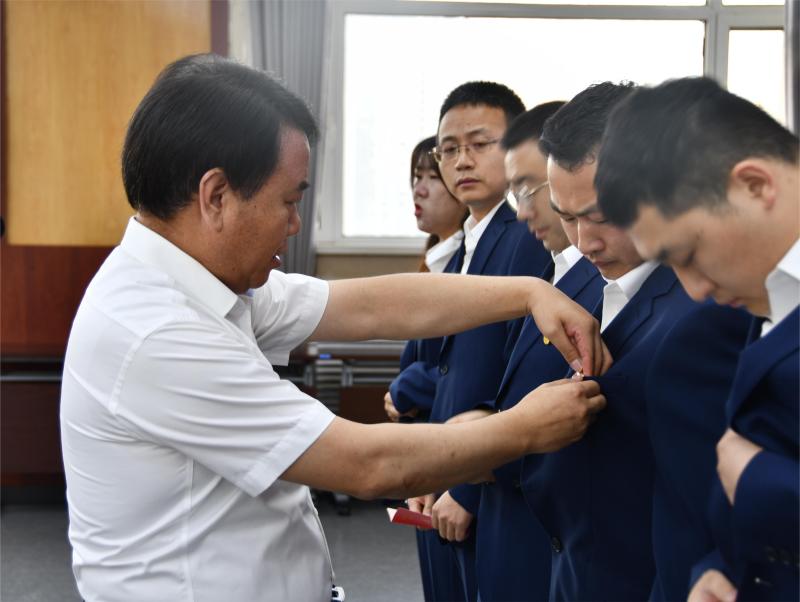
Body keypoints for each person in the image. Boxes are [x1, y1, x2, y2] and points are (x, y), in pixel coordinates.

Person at [59, 54, 610, 602]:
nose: (295, 224)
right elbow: (368, 464)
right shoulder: (158, 332)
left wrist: (529, 293)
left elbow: (369, 307)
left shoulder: (200, 282)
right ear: (216, 196)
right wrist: (525, 428)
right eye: (288, 201)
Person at [595, 76, 799, 602]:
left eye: (688, 255)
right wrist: (719, 567)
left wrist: (761, 483)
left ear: (754, 185)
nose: (696, 289)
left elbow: (753, 475)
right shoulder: (764, 291)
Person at [518, 82, 698, 601]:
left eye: (601, 216)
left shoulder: (700, 316)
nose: (583, 241)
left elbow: (695, 519)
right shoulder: (598, 285)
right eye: (567, 217)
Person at [402, 81, 551, 601]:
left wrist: (466, 485)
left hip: (488, 483)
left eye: (480, 144)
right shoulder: (464, 245)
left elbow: (525, 376)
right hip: (448, 469)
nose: (461, 160)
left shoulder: (527, 240)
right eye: (449, 148)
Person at [473, 100, 606, 602]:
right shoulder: (552, 277)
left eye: (530, 188)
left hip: (550, 531)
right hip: (514, 517)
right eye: (515, 193)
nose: (523, 209)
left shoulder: (601, 280)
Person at [383, 136, 467, 601]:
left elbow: (474, 368)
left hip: (455, 451)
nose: (419, 189)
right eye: (416, 177)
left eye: (432, 177)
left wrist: (408, 387)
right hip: (429, 451)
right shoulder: (435, 260)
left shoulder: (470, 263)